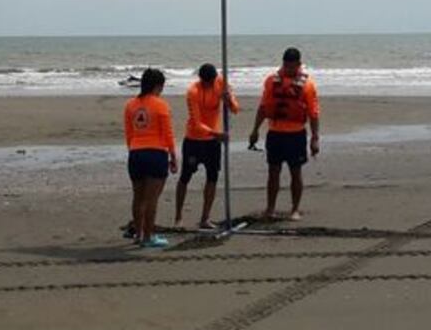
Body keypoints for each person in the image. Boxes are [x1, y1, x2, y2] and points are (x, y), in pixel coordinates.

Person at [248, 47, 320, 220]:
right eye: (286, 66)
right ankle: (270, 208)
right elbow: (263, 107)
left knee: (296, 172)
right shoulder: (271, 81)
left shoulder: (308, 85)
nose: (288, 69)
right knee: (273, 171)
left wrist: (315, 138)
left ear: (299, 65)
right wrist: (255, 130)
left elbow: (314, 113)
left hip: (296, 134)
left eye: (292, 66)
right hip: (275, 133)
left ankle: (295, 209)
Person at [174, 63, 238, 228]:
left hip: (212, 143)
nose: (209, 84)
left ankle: (205, 218)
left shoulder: (221, 84)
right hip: (194, 140)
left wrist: (228, 99)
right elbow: (196, 123)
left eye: (211, 81)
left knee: (212, 177)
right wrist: (217, 134)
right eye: (206, 82)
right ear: (200, 79)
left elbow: (235, 109)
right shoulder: (193, 91)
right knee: (185, 177)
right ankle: (178, 217)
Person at [123, 67, 178, 247]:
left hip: (136, 153)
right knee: (151, 199)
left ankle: (138, 234)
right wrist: (173, 156)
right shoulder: (160, 105)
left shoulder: (130, 105)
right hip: (155, 153)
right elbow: (168, 133)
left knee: (138, 197)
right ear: (157, 86)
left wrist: (132, 150)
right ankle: (148, 237)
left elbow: (129, 133)